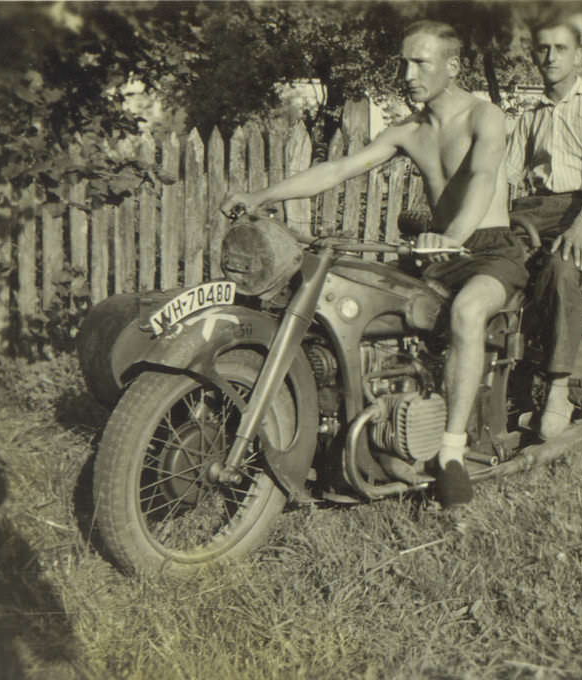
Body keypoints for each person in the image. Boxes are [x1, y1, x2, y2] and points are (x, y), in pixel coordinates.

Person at [221, 21, 527, 507]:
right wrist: (262, 196)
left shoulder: (484, 117)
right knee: (361, 308)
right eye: (403, 62)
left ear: (452, 66)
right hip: (434, 251)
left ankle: (450, 455)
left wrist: (449, 239)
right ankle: (363, 428)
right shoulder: (407, 131)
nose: (407, 73)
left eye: (420, 62)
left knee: (469, 312)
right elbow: (338, 169)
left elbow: (484, 180)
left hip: (486, 249)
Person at [506, 12, 582, 440]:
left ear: (578, 55)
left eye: (561, 48)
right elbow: (500, 175)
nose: (550, 56)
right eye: (543, 48)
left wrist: (581, 225)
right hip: (529, 212)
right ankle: (505, 387)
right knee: (493, 271)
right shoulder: (529, 116)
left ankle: (556, 391)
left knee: (560, 269)